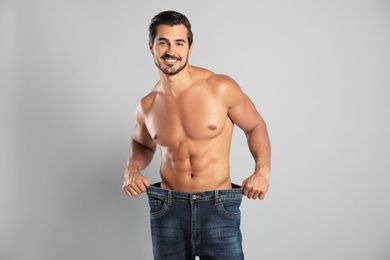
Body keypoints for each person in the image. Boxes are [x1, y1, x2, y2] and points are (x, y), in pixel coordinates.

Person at [122, 10, 271, 260]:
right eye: (163, 42)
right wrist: (131, 170)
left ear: (190, 48)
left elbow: (255, 126)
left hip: (218, 206)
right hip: (167, 208)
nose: (171, 51)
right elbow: (142, 144)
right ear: (151, 47)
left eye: (179, 42)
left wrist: (262, 171)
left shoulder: (220, 88)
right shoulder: (147, 105)